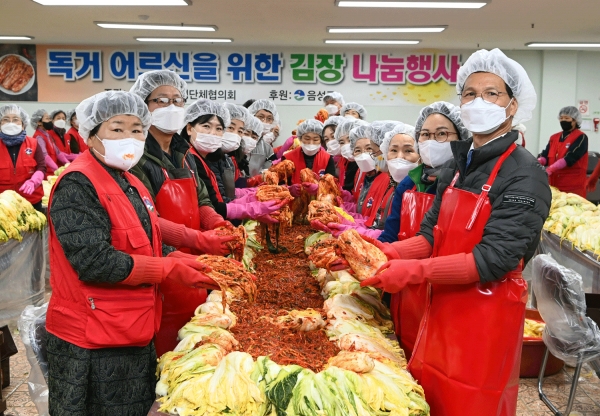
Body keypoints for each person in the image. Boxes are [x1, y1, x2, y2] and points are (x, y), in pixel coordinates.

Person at [362, 48, 550, 416]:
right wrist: (383, 255)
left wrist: (414, 272)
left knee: (472, 402)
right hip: (442, 308)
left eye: (491, 94)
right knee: (432, 396)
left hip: (486, 316)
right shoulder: (457, 167)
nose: (478, 101)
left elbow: (494, 259)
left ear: (512, 106)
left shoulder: (525, 174)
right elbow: (431, 235)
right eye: (469, 93)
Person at [45, 90, 219, 415]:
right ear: (92, 133)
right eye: (117, 128)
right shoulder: (77, 185)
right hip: (92, 338)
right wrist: (167, 270)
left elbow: (149, 227)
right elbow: (95, 262)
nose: (130, 137)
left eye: (137, 129)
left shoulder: (127, 179)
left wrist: (198, 250)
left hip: (131, 327)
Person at [129, 70, 235, 356]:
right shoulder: (137, 157)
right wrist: (199, 240)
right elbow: (143, 219)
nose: (171, 108)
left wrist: (216, 222)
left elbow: (200, 198)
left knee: (194, 340)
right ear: (143, 106)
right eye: (161, 101)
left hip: (193, 265)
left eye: (177, 100)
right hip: (160, 264)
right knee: (166, 349)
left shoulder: (183, 152)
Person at [377, 103, 470, 360]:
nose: (432, 141)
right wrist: (373, 253)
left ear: (461, 137)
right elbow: (391, 233)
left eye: (441, 134)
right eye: (425, 135)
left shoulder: (463, 183)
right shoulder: (409, 182)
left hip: (448, 287)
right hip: (404, 286)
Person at [182, 99, 282, 222]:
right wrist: (251, 207)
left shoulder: (216, 158)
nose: (212, 133)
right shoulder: (188, 160)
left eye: (218, 128)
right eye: (206, 126)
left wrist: (255, 195)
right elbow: (211, 205)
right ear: (189, 128)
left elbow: (223, 193)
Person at [0, 104, 46, 211]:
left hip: (31, 202)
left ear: (23, 124)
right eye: (6, 120)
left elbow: (41, 168)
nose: (11, 123)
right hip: (3, 205)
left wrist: (34, 181)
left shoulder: (33, 143)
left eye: (15, 119)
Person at [538, 106, 588, 197]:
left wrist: (551, 168)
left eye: (567, 118)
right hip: (554, 184)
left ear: (575, 120)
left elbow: (571, 157)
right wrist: (538, 162)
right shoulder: (554, 137)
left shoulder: (581, 137)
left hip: (572, 186)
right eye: (561, 118)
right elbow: (545, 155)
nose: (563, 120)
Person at [284, 119, 336, 190]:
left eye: (315, 139)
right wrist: (289, 189)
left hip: (320, 199)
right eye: (307, 138)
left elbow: (333, 184)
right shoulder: (288, 158)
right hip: (293, 199)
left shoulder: (327, 158)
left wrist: (320, 188)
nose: (311, 143)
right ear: (300, 138)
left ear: (321, 140)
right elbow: (280, 183)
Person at [30, 109, 69, 176]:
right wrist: (57, 169)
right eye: (47, 119)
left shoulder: (48, 135)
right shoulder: (39, 137)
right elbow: (44, 156)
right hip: (46, 173)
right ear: (39, 122)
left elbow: (58, 152)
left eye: (50, 118)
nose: (50, 121)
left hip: (52, 172)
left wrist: (68, 164)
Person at [247, 99, 278, 175]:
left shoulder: (267, 148)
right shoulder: (240, 141)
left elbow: (269, 170)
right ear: (252, 116)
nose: (264, 121)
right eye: (261, 117)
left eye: (269, 118)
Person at [335, 118, 362, 191]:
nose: (346, 145)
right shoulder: (346, 163)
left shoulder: (366, 165)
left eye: (350, 140)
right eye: (342, 142)